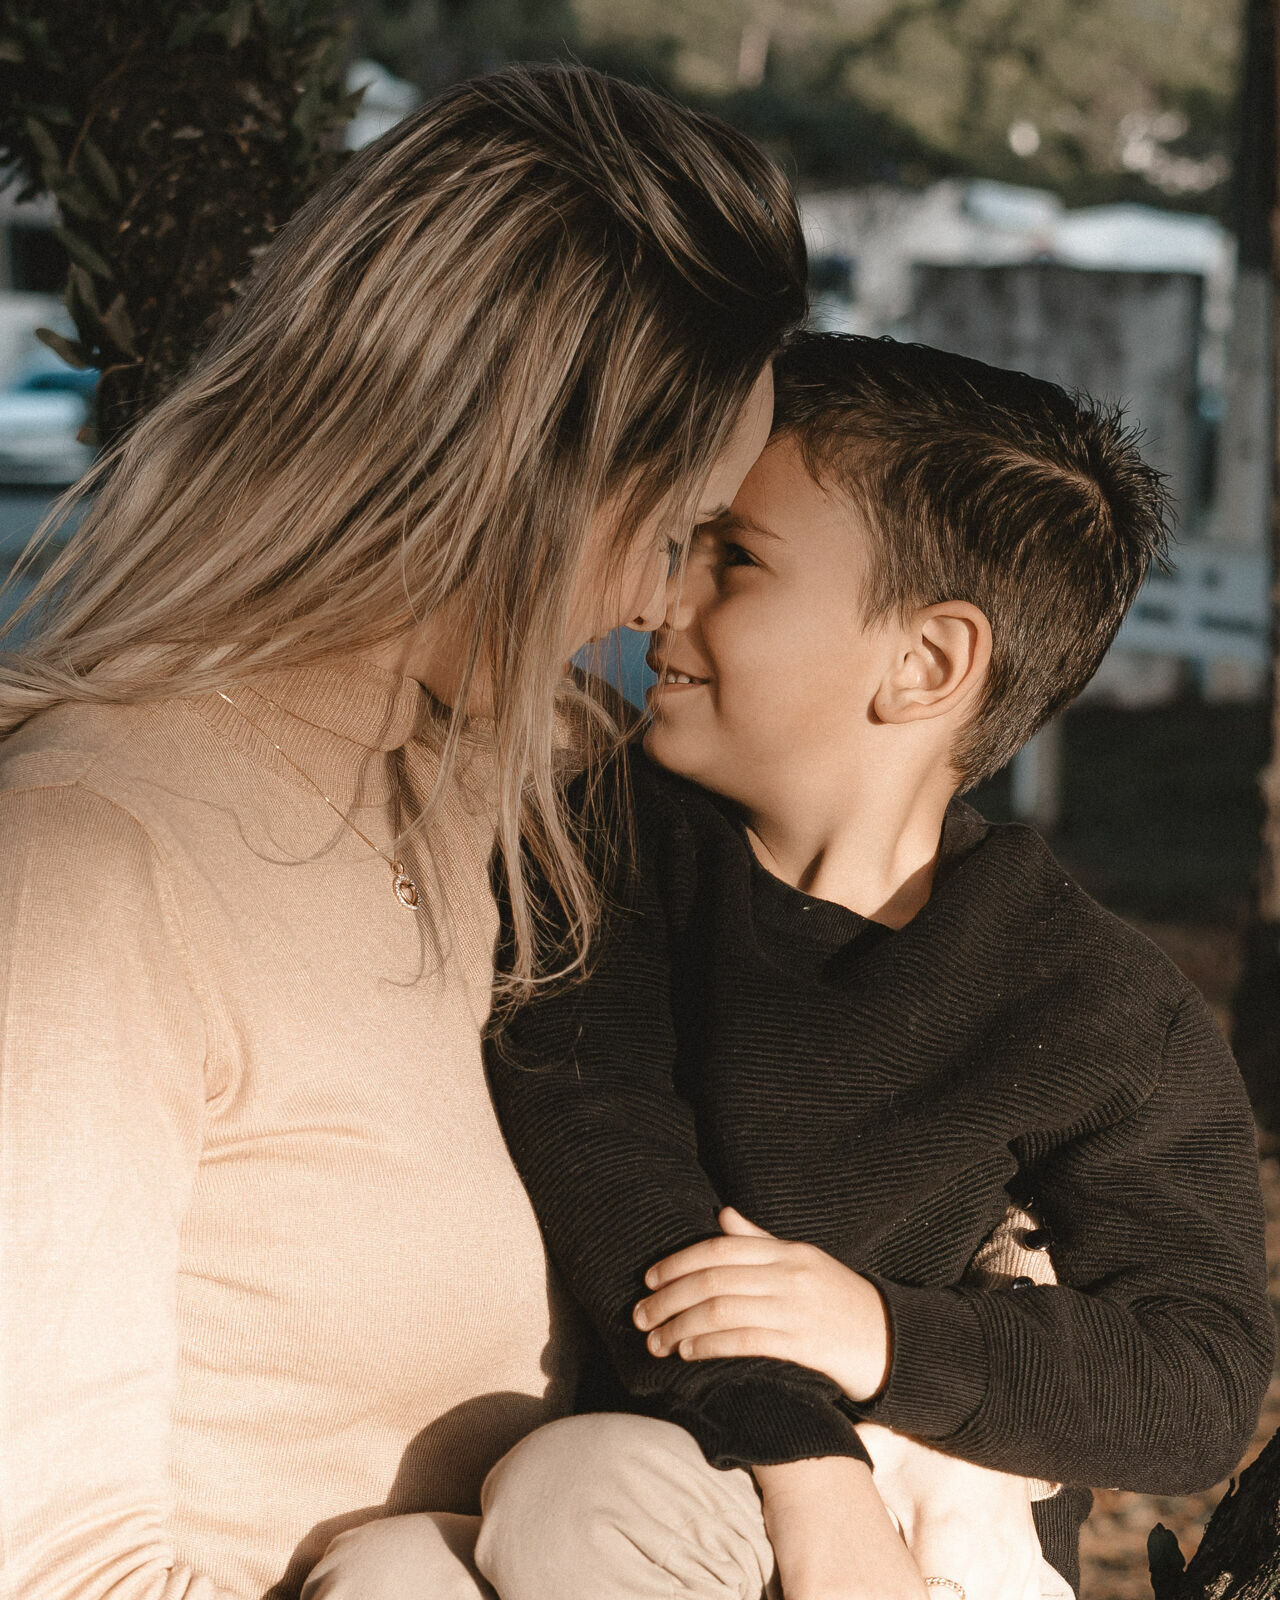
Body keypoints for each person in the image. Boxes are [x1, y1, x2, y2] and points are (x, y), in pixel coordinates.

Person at [0, 64, 808, 1600]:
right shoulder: (88, 866)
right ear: (515, 477)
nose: (660, 604)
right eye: (665, 526)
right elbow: (46, 1565)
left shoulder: (549, 777)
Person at [471, 334, 1274, 1600]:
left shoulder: (1096, 1009)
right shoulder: (609, 851)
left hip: (936, 1544)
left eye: (731, 556)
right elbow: (605, 1150)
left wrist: (880, 1332)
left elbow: (1195, 1381)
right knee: (479, 1528)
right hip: (686, 1490)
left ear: (926, 663)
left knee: (574, 1494)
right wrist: (804, 1464)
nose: (656, 600)